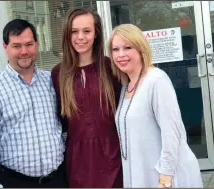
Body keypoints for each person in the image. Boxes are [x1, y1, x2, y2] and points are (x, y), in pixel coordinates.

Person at [0, 19, 67, 188]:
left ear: (37, 44)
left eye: (29, 44)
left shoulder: (52, 81)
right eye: (16, 46)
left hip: (58, 179)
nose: (24, 51)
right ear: (5, 47)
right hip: (15, 182)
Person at [108, 23, 203, 188]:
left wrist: (165, 180)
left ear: (141, 49)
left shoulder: (156, 80)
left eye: (127, 47)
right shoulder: (126, 86)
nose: (120, 55)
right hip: (142, 173)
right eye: (115, 50)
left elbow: (172, 134)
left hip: (165, 176)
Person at [51, 8, 123, 188]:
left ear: (96, 33)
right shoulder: (58, 73)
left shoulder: (111, 67)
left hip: (112, 154)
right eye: (74, 31)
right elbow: (59, 119)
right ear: (67, 35)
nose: (80, 37)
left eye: (87, 31)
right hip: (77, 159)